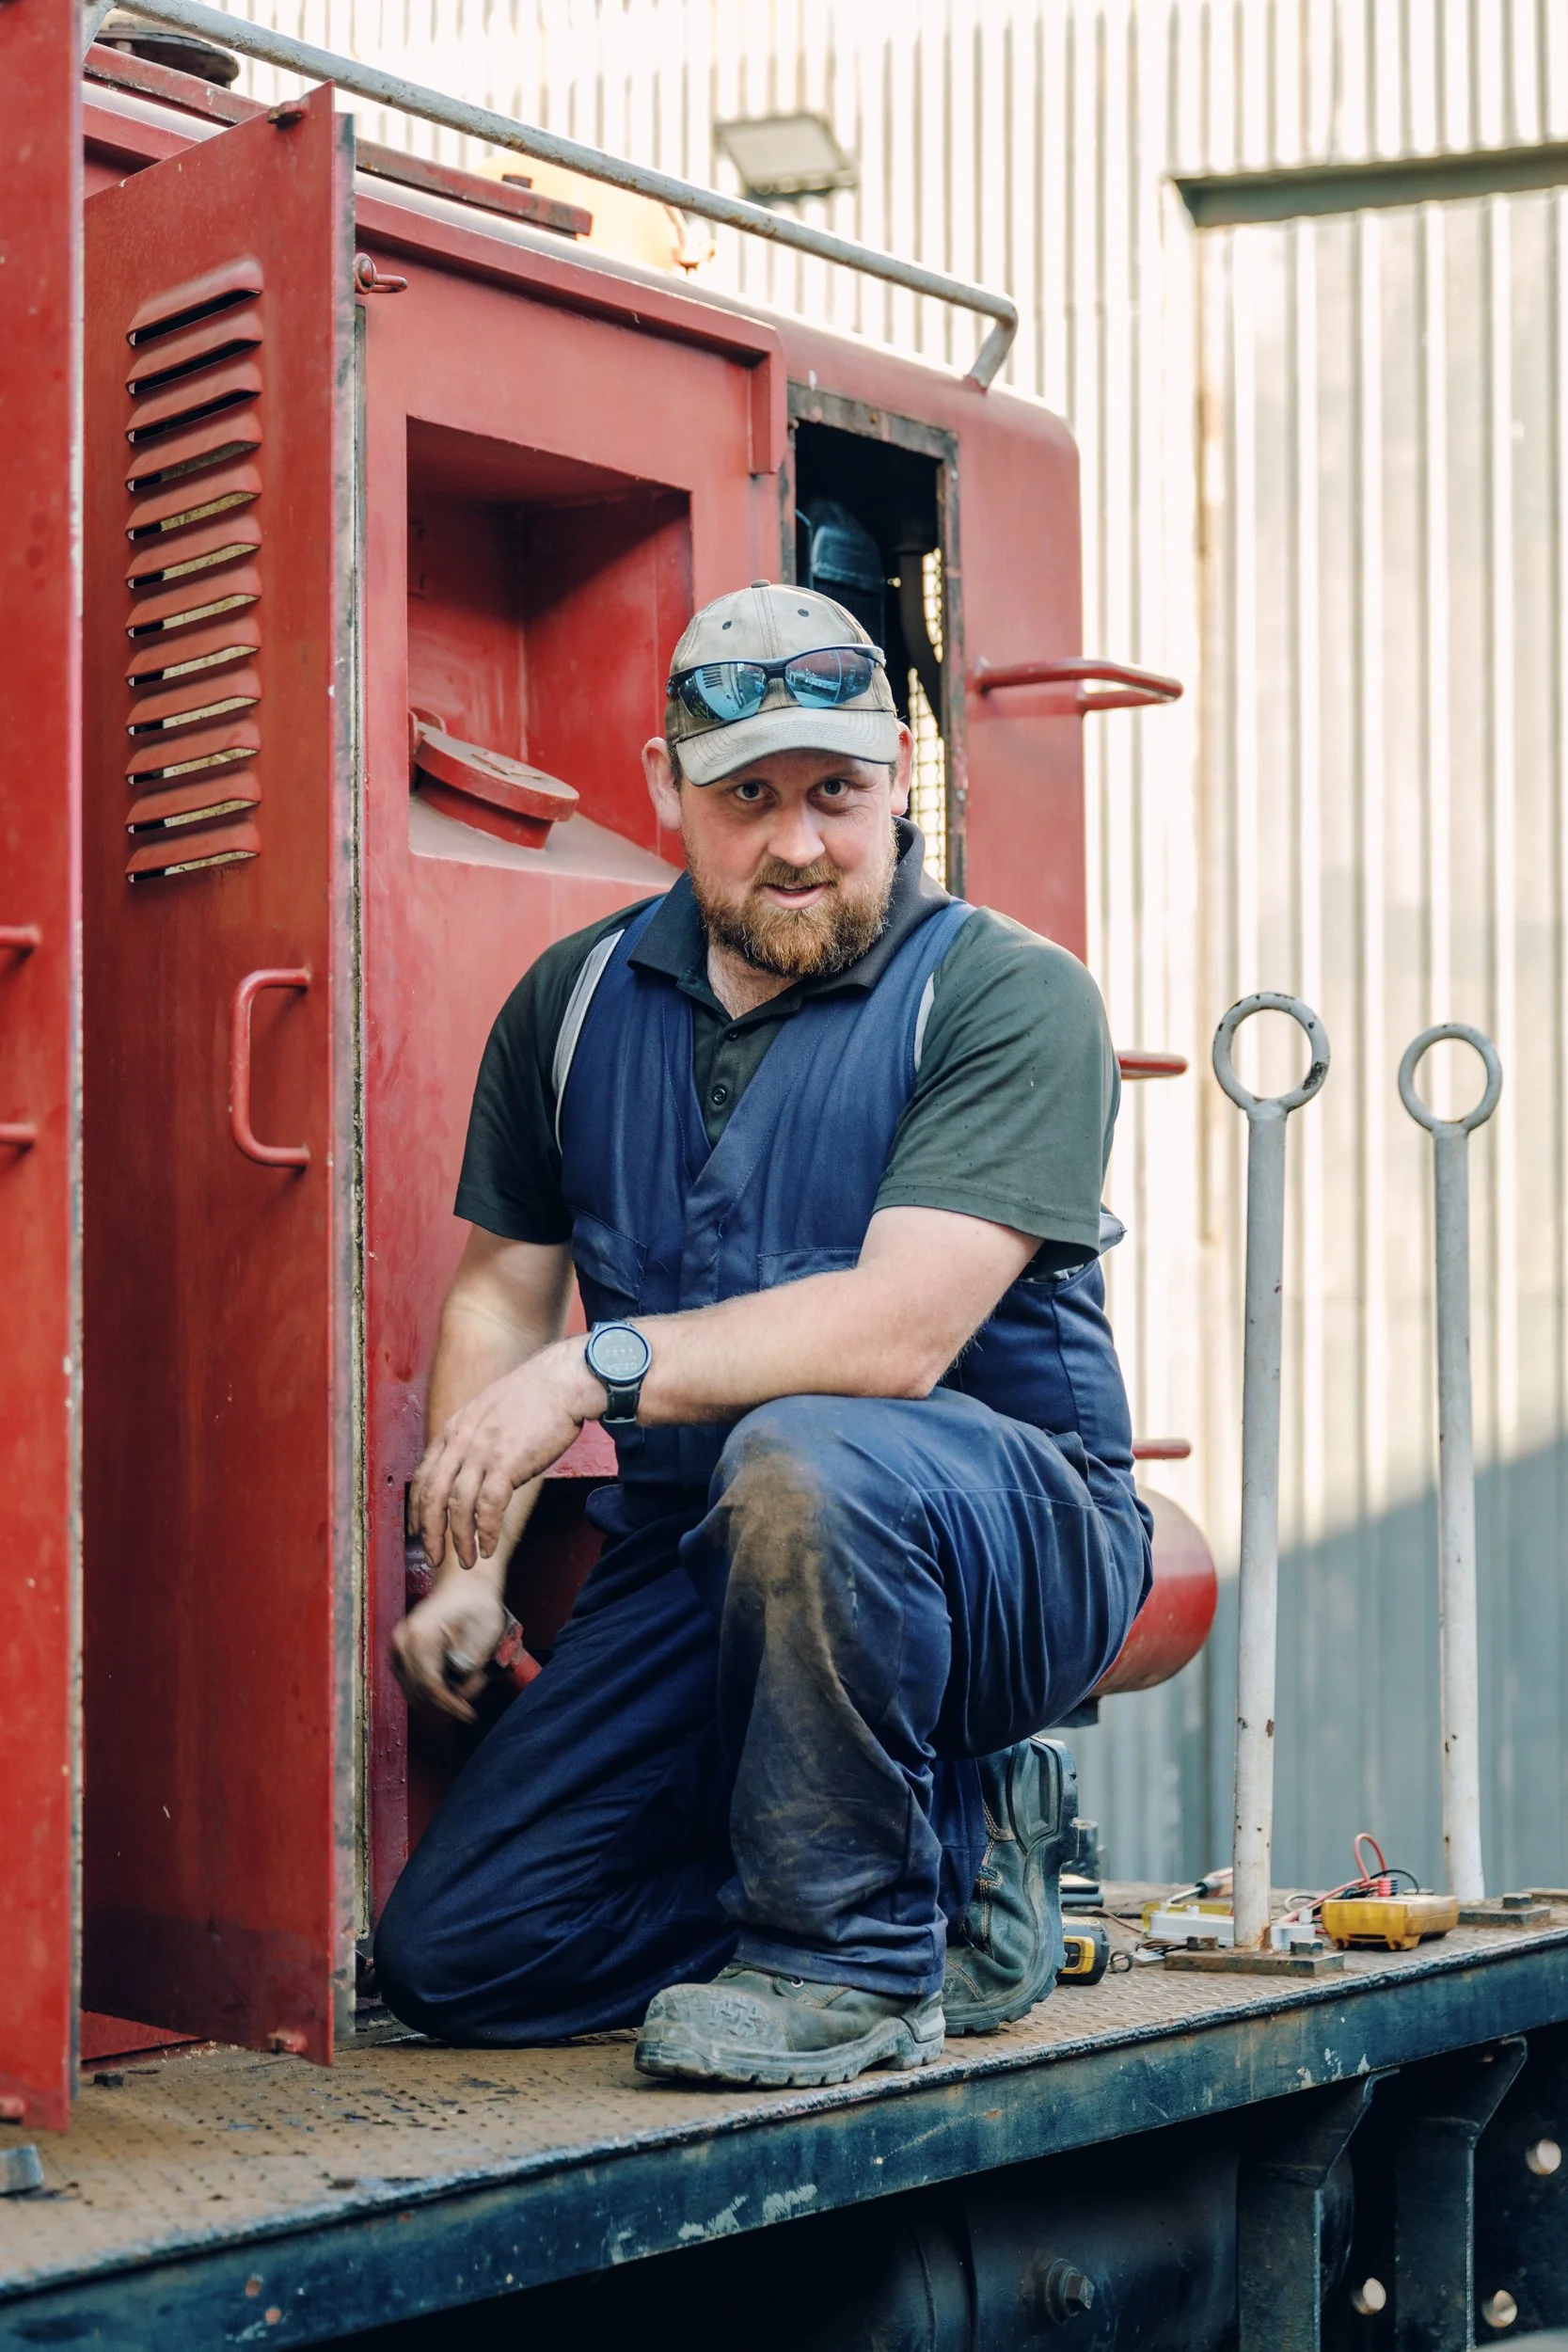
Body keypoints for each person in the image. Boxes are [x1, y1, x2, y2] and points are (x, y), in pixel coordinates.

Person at [373, 580, 1151, 2089]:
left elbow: (898, 1332)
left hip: (1003, 1544)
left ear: (897, 781)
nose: (799, 841)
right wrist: (467, 1569)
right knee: (461, 1948)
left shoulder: (1002, 994)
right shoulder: (577, 999)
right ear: (667, 788)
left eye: (836, 793)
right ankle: (943, 1892)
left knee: (809, 1451)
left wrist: (595, 1373)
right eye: (749, 798)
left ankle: (845, 1969)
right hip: (705, 1547)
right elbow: (502, 1286)